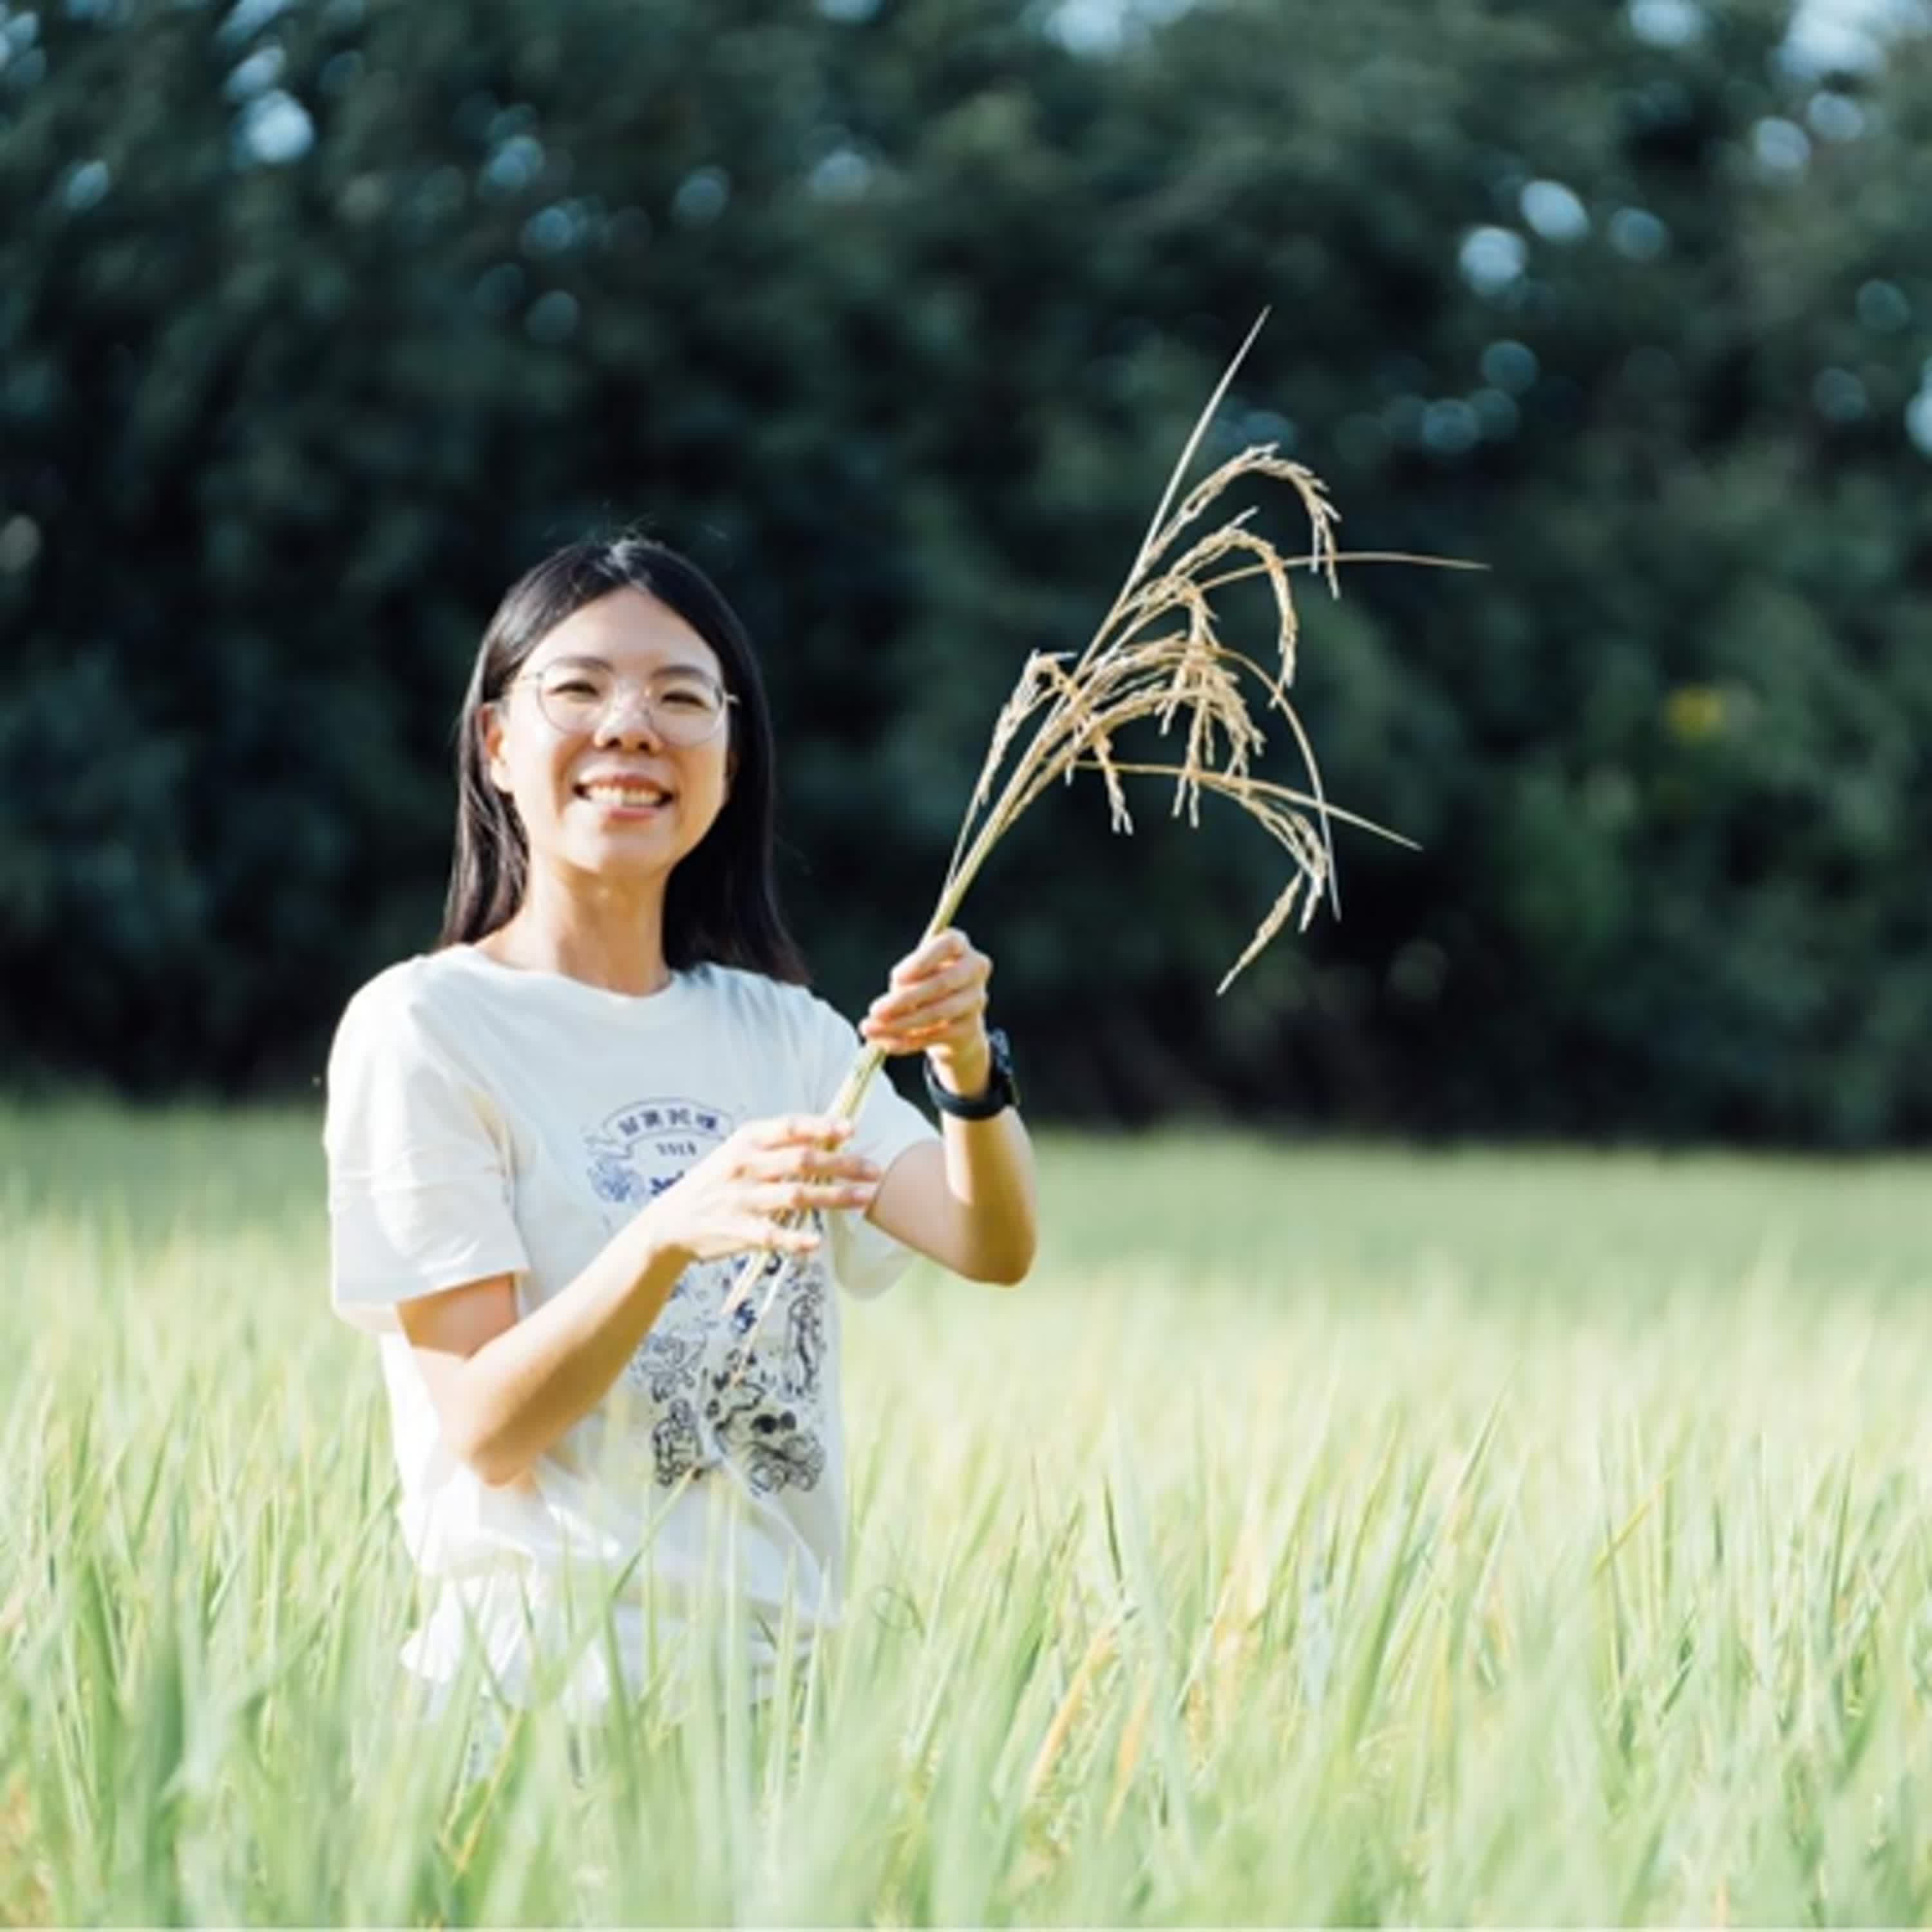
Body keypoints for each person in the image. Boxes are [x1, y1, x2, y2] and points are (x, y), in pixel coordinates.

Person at [323, 535, 1037, 1729]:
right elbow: (488, 1428)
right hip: (532, 1710)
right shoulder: (426, 1027)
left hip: (777, 1712)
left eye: (681, 697)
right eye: (580, 689)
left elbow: (988, 1242)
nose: (632, 726)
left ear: (730, 756)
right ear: (497, 744)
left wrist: (968, 1065)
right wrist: (668, 1235)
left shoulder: (788, 1036)